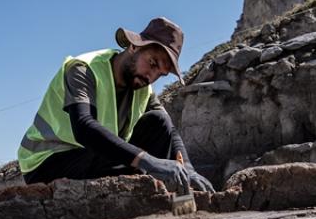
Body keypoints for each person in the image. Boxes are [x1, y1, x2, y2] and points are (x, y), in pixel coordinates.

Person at [17, 17, 214, 193]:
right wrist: (150, 162)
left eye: (160, 74)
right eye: (153, 63)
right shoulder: (83, 69)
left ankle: (175, 195)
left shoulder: (143, 86)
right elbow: (84, 128)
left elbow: (168, 130)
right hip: (46, 163)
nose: (151, 77)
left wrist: (188, 169)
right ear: (134, 46)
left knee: (158, 120)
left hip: (93, 157)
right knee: (135, 162)